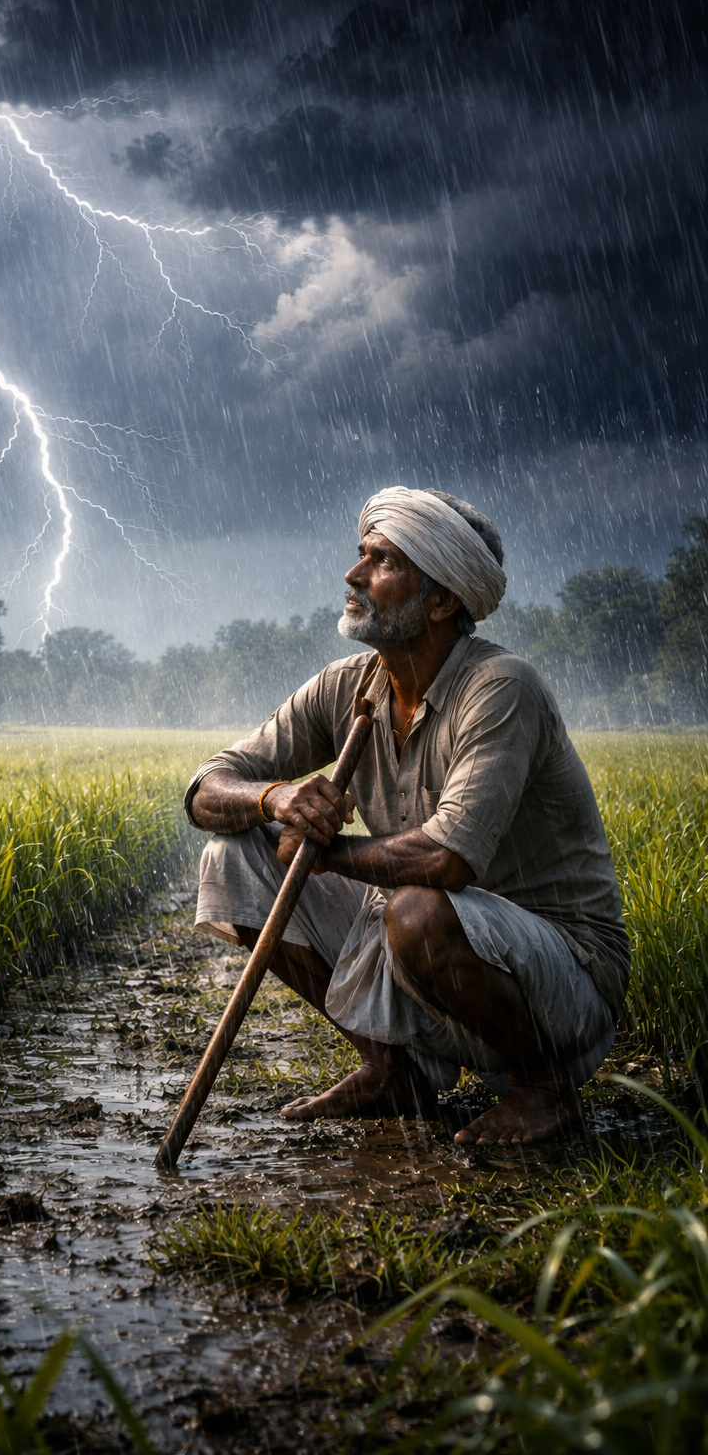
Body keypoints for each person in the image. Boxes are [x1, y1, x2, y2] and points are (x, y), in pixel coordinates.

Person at [186, 487, 628, 1146]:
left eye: (383, 561)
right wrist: (274, 801)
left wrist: (318, 854)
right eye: (360, 554)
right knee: (232, 856)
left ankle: (545, 1088)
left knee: (415, 908)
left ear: (444, 599)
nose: (354, 574)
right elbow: (205, 788)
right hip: (438, 941)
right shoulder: (349, 686)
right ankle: (394, 1071)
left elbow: (446, 860)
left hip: (561, 974)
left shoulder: (502, 687)